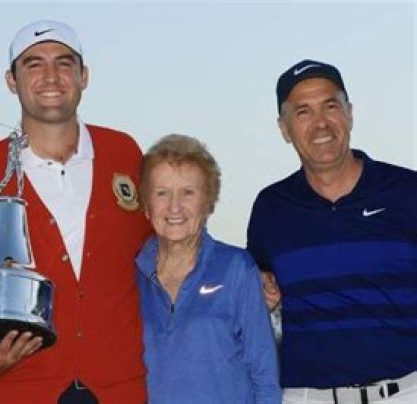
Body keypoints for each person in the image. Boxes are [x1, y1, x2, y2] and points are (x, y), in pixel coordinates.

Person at [0, 19, 152, 403]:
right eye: (34, 64)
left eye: (64, 62)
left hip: (120, 385)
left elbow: (163, 251)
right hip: (21, 387)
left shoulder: (125, 154)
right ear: (11, 81)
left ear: (84, 76)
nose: (51, 76)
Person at [247, 59, 417, 403]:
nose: (321, 123)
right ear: (284, 128)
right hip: (307, 396)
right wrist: (259, 286)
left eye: (330, 106)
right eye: (303, 112)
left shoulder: (407, 191)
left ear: (349, 113)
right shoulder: (270, 208)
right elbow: (255, 290)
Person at [135, 134, 281, 403]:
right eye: (162, 193)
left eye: (188, 193)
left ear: (208, 203)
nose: (174, 206)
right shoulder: (130, 278)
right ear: (146, 205)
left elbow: (264, 375)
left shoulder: (237, 269)